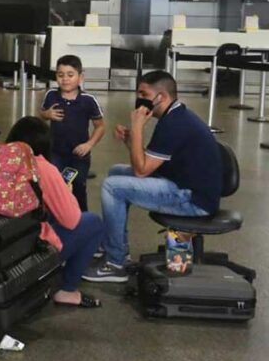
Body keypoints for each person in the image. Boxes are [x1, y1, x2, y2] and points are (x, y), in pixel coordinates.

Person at [84, 71, 222, 283]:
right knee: (116, 172)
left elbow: (141, 170)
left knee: (112, 187)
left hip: (193, 200)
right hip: (182, 184)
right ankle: (117, 246)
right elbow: (147, 163)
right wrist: (131, 139)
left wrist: (137, 127)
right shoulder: (174, 116)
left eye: (144, 94)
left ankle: (115, 262)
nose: (139, 99)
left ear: (162, 97)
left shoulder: (174, 124)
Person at [6, 117, 104, 308]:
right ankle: (67, 289)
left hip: (4, 245)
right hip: (30, 250)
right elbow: (71, 220)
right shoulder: (42, 167)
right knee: (93, 223)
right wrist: (66, 192)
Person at [39, 55, 105, 212]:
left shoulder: (88, 100)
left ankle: (81, 217)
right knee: (55, 186)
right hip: (55, 152)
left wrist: (88, 145)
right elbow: (41, 113)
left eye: (70, 75)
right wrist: (46, 114)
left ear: (80, 77)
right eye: (60, 75)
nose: (65, 79)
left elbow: (100, 126)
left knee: (79, 187)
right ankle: (55, 217)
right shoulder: (51, 95)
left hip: (79, 155)